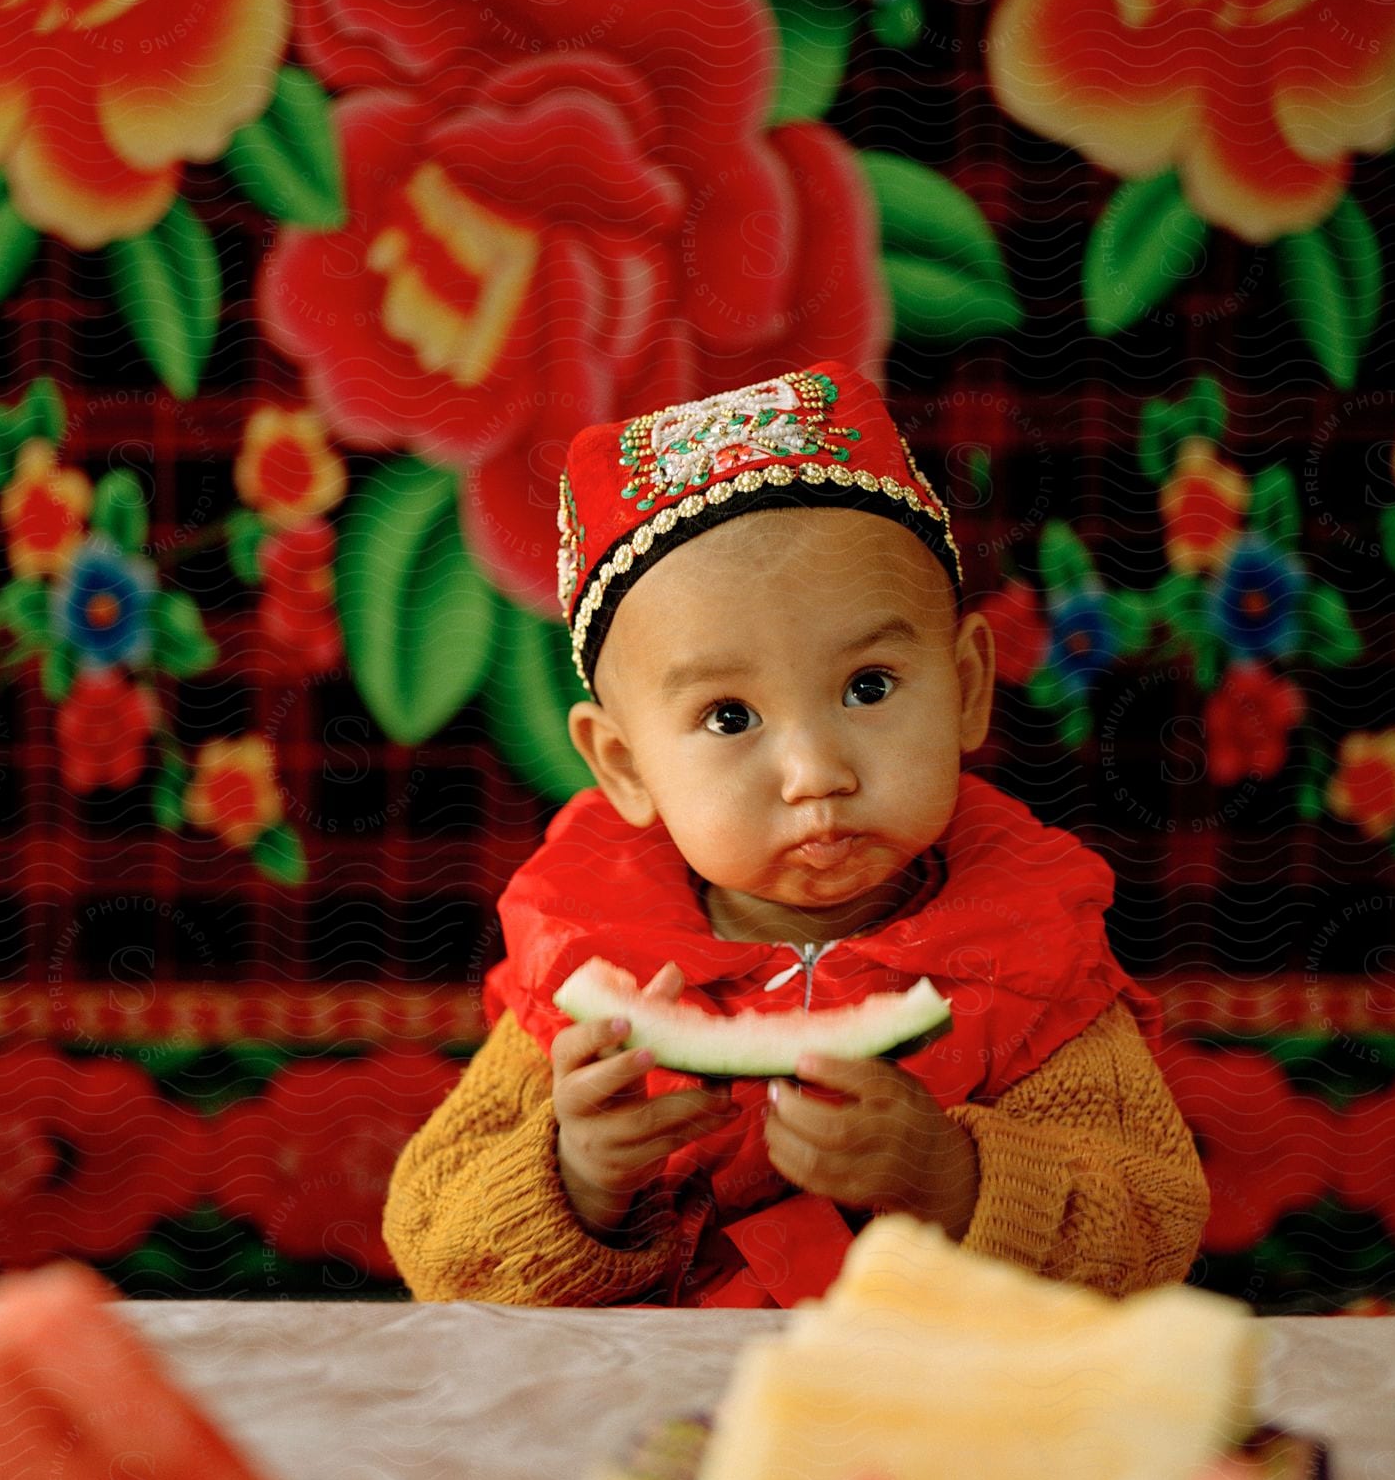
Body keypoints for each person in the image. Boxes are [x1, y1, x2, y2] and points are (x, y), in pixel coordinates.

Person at [383, 359, 1209, 1308]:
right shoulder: (588, 977)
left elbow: (1154, 1229)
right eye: (730, 717)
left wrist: (954, 1179)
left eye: (869, 687)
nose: (817, 773)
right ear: (624, 766)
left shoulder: (1033, 968)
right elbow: (434, 1250)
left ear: (969, 687)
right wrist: (576, 1181)